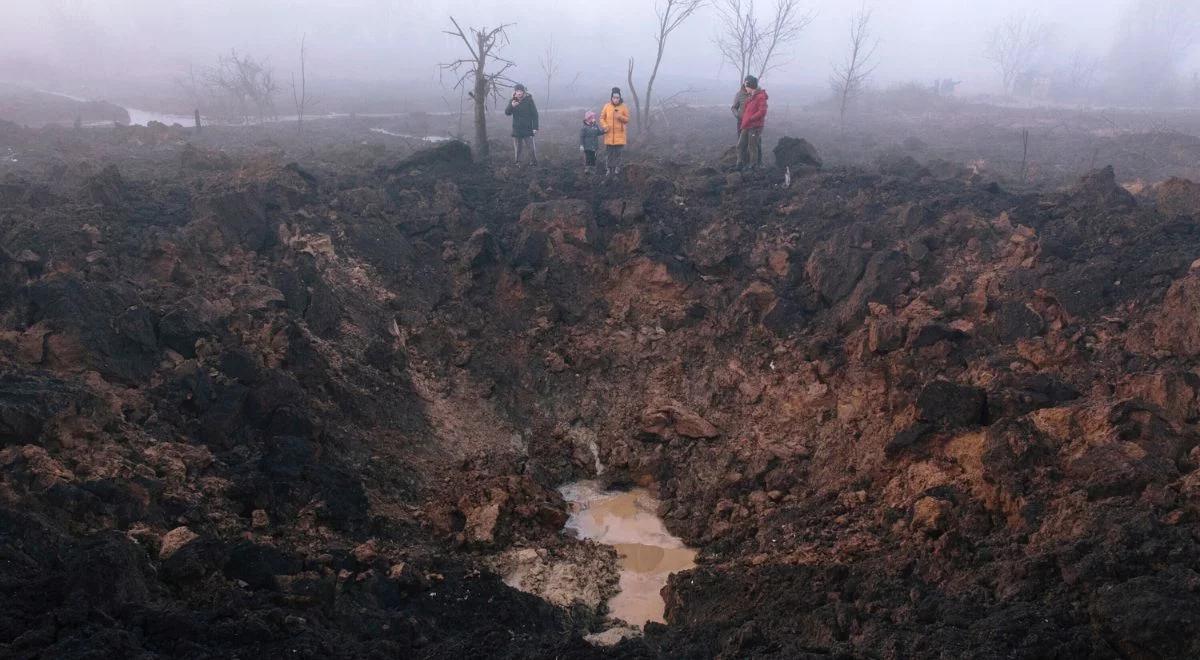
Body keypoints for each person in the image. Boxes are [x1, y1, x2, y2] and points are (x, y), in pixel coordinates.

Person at [737, 75, 768, 171]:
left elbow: (762, 111)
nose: (745, 88)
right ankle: (740, 163)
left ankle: (753, 166)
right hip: (747, 125)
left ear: (751, 86)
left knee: (752, 146)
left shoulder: (761, 97)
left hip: (755, 126)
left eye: (746, 86)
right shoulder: (751, 96)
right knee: (740, 144)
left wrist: (751, 118)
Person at [505, 83, 539, 166]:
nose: (519, 93)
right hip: (517, 129)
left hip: (528, 128)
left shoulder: (529, 100)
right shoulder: (513, 101)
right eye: (517, 91)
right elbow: (507, 113)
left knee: (531, 148)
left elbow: (535, 114)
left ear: (523, 92)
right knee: (518, 148)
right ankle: (518, 163)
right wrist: (512, 106)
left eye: (520, 91)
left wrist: (535, 127)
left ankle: (533, 162)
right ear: (515, 92)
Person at [600, 87, 630, 176]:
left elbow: (627, 119)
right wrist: (605, 126)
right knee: (609, 154)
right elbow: (602, 118)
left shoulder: (624, 107)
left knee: (618, 154)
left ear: (620, 98)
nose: (616, 99)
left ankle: (617, 168)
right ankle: (609, 169)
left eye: (617, 97)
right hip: (609, 135)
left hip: (620, 136)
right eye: (614, 97)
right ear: (611, 97)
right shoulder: (607, 106)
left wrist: (620, 117)